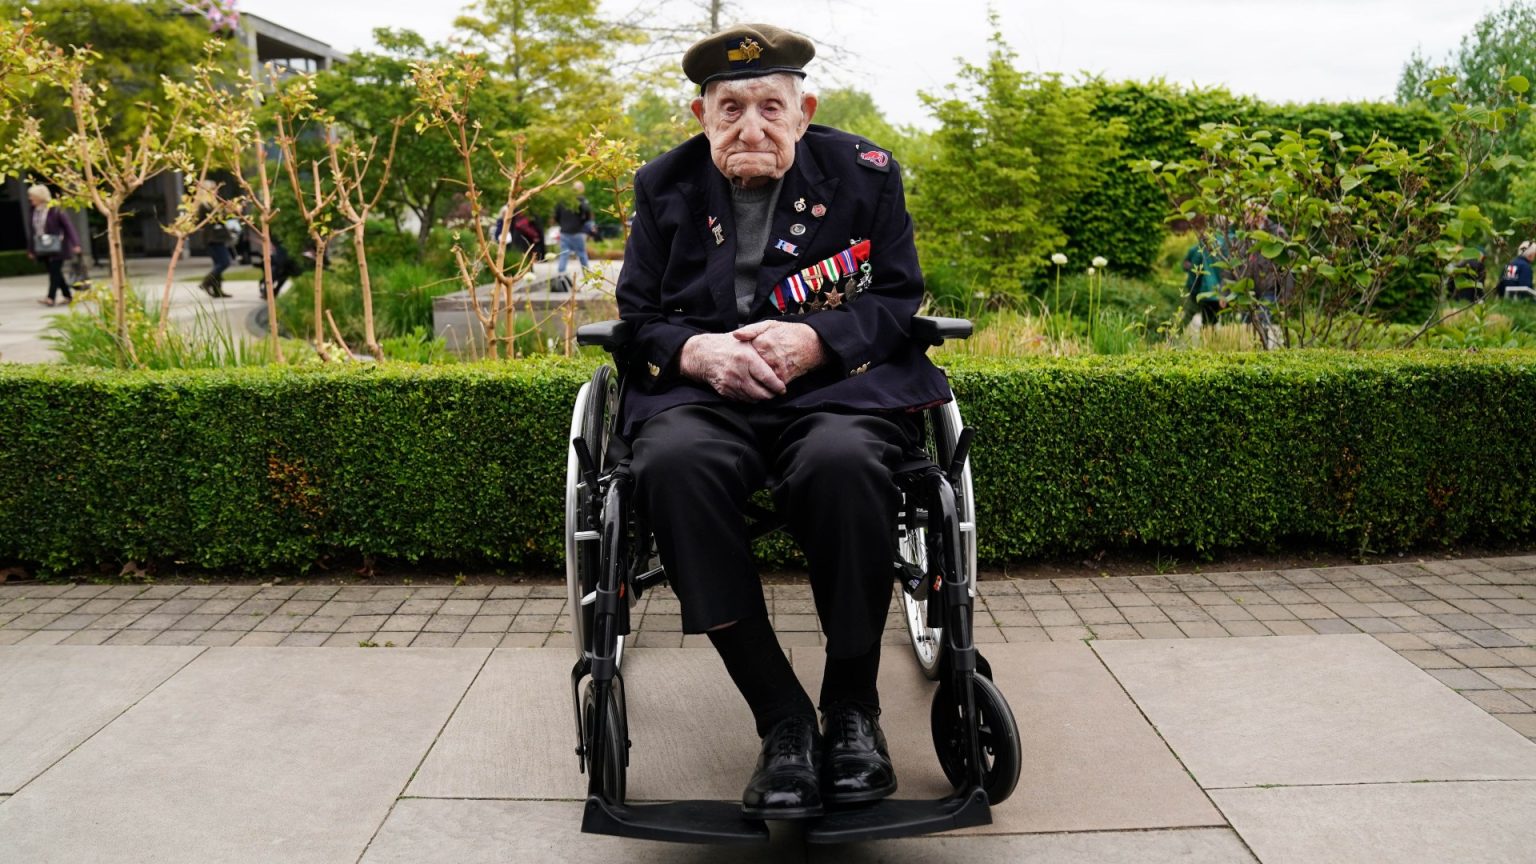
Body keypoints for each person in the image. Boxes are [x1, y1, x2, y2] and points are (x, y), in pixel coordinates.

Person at [615, 24, 951, 820]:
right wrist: (696, 351)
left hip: (834, 393)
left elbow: (898, 300)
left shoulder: (865, 175)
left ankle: (853, 708)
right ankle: (783, 719)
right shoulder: (663, 185)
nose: (751, 127)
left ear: (806, 111)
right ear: (701, 114)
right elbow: (637, 319)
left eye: (772, 106)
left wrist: (816, 339)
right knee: (671, 465)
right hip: (706, 397)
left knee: (844, 463)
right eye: (730, 109)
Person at [25, 185, 82, 307]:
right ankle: (68, 296)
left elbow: (68, 227)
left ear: (39, 197)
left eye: (32, 196)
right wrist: (31, 249)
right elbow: (32, 231)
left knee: (54, 271)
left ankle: (50, 298)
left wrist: (75, 243)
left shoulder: (55, 209)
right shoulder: (33, 210)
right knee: (55, 272)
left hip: (58, 246)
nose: (30, 198)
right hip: (42, 246)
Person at [195, 181, 232, 298]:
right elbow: (200, 222)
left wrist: (228, 211)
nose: (216, 190)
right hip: (212, 239)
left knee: (218, 263)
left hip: (217, 238)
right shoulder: (204, 205)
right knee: (224, 262)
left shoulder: (214, 204)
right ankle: (206, 282)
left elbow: (221, 218)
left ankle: (217, 290)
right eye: (213, 188)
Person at [553, 180, 595, 283]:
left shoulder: (563, 201)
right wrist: (584, 223)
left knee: (564, 253)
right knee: (581, 253)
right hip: (577, 232)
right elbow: (588, 213)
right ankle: (587, 276)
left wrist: (562, 224)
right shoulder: (581, 200)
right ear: (580, 189)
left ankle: (561, 274)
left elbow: (556, 215)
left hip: (564, 231)